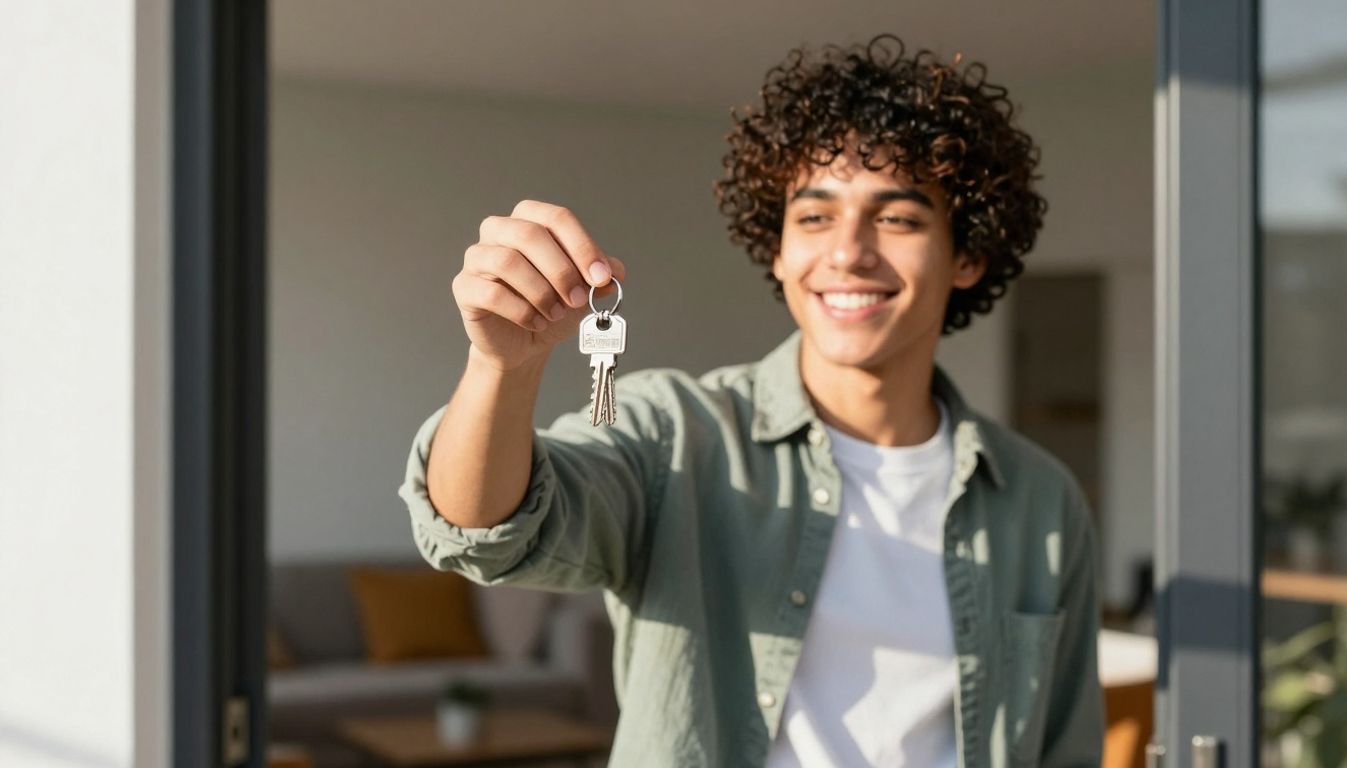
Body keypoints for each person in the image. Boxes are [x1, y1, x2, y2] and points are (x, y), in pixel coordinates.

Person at [398, 33, 1103, 768]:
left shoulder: (1042, 503)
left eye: (897, 218)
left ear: (969, 256)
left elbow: (1068, 748)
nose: (848, 252)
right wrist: (500, 368)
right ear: (777, 247)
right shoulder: (674, 434)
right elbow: (485, 530)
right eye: (815, 217)